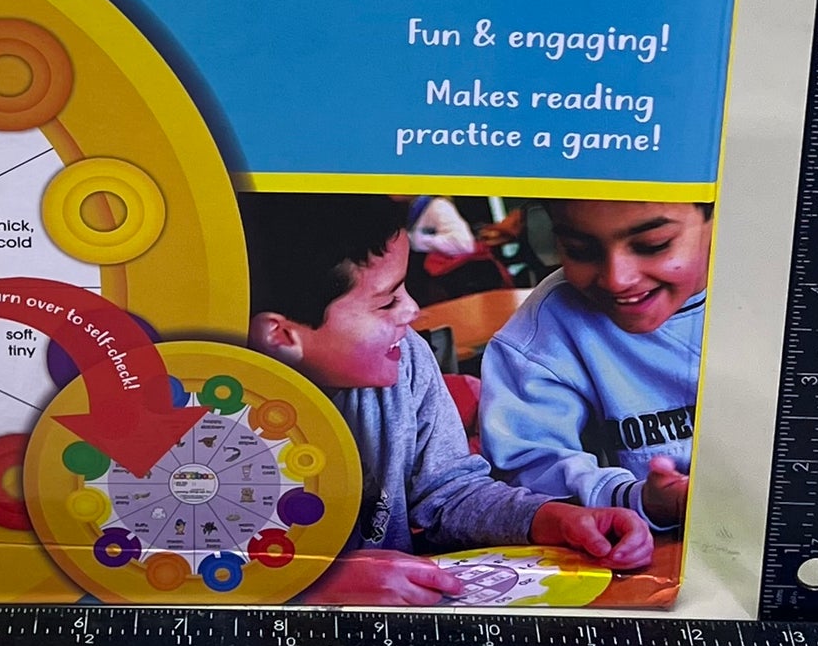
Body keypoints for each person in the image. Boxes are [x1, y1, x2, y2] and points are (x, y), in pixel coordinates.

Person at [241, 194, 653, 606]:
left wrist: (550, 519)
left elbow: (448, 492)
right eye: (387, 301)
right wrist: (314, 584)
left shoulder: (405, 357)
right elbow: (207, 564)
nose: (413, 310)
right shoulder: (216, 416)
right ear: (281, 336)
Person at [478, 198, 711, 530]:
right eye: (580, 250)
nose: (617, 280)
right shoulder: (538, 336)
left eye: (653, 245)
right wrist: (637, 499)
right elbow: (527, 476)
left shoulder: (782, 288)